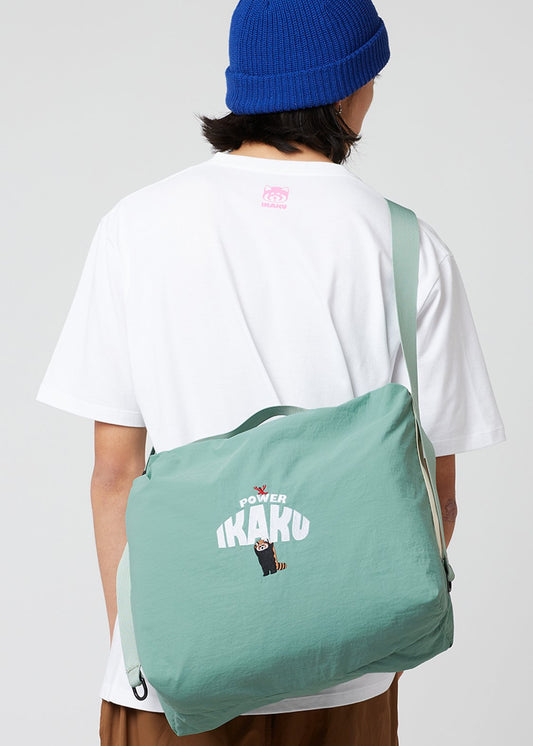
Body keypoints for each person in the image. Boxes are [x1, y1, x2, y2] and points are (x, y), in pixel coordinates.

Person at [35, 1, 506, 744]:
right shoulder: (408, 246)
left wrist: (157, 656)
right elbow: (433, 499)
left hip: (173, 683)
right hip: (344, 689)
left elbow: (113, 474)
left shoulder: (135, 227)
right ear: (351, 89)